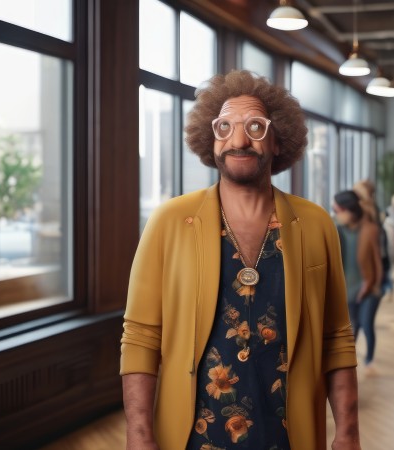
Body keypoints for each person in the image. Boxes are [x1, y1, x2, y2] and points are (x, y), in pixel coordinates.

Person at [120, 70, 361, 450]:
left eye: (255, 126)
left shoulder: (315, 224)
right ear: (209, 138)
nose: (239, 140)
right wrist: (138, 435)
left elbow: (336, 339)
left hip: (289, 435)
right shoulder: (169, 222)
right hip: (194, 440)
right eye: (224, 127)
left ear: (279, 139)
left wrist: (348, 432)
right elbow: (141, 337)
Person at [333, 190, 383, 376]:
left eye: (337, 210)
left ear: (348, 209)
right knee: (353, 327)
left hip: (368, 288)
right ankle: (348, 363)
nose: (336, 213)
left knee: (366, 322)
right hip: (346, 289)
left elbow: (378, 261)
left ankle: (369, 358)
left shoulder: (370, 229)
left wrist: (375, 285)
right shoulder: (336, 230)